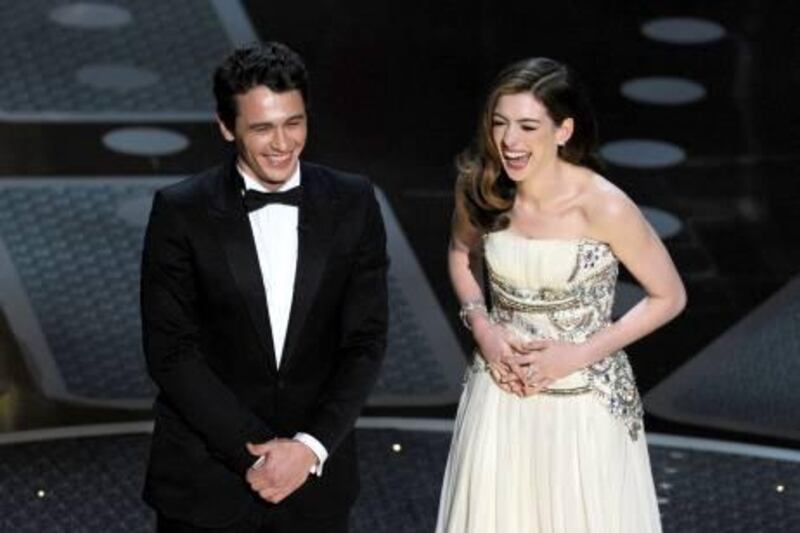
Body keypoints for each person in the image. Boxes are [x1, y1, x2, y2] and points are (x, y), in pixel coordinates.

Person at [140, 42, 388, 532]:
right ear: (226, 127)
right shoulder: (180, 211)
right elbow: (171, 352)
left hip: (314, 483)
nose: (282, 143)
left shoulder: (353, 202)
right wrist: (255, 454)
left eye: (293, 123)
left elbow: (364, 341)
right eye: (262, 127)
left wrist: (308, 448)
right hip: (205, 483)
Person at [435, 57, 686, 532]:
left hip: (583, 405)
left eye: (528, 126)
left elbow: (668, 296)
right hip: (499, 397)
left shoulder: (603, 205)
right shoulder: (482, 188)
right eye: (500, 124)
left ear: (563, 130)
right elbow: (458, 254)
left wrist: (576, 355)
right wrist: (482, 325)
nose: (510, 141)